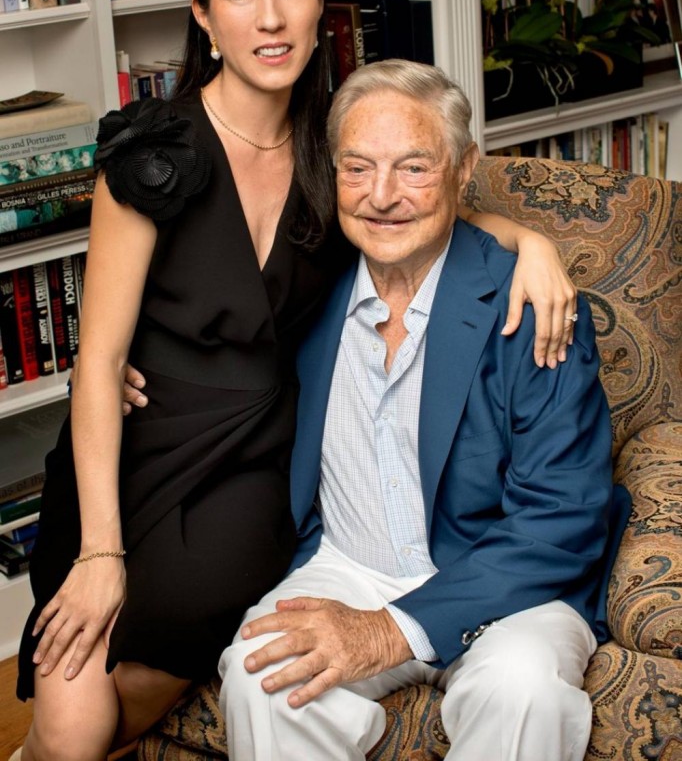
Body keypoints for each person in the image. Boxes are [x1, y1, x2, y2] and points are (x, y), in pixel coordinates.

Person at [15, 0, 575, 761]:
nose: (271, 18)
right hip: (135, 450)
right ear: (204, 16)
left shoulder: (338, 149)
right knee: (69, 722)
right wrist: (99, 555)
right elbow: (100, 361)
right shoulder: (154, 153)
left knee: (114, 710)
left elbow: (433, 209)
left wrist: (533, 244)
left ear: (321, 4)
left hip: (255, 467)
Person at [219, 59, 631, 761]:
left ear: (463, 170)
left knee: (523, 689)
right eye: (358, 168)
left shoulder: (533, 306)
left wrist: (389, 631)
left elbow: (562, 516)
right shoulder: (305, 288)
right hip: (350, 564)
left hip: (507, 583)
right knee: (262, 677)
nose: (381, 196)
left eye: (413, 167)